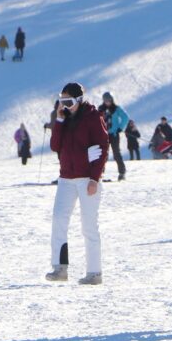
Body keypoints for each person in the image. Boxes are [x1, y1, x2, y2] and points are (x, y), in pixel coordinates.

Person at [47, 82, 109, 285]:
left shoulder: (92, 117)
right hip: (66, 178)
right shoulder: (64, 119)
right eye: (62, 101)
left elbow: (102, 146)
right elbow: (55, 145)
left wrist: (94, 178)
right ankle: (59, 268)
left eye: (69, 101)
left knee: (88, 225)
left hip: (86, 179)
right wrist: (59, 120)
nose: (65, 105)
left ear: (79, 100)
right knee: (58, 220)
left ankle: (94, 272)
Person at [97, 92, 130, 181]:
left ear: (112, 100)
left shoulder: (116, 108)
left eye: (109, 100)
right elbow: (96, 120)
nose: (108, 102)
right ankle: (100, 173)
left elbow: (125, 117)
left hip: (114, 134)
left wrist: (120, 127)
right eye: (106, 100)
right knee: (103, 154)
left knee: (116, 153)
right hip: (104, 135)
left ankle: (122, 173)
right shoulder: (100, 109)